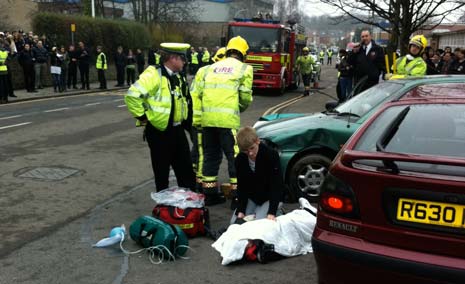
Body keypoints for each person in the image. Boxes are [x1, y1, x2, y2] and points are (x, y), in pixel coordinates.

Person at [191, 36, 253, 206]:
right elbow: (245, 97)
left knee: (211, 157)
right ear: (243, 52)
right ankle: (237, 196)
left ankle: (210, 194)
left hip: (207, 121)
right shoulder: (244, 69)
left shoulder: (209, 69)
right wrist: (238, 107)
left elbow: (199, 94)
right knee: (234, 158)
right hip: (227, 122)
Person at [124, 42, 195, 192]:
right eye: (183, 58)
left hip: (177, 130)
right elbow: (132, 96)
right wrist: (143, 117)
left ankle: (189, 205)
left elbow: (185, 102)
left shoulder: (180, 77)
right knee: (162, 173)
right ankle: (163, 206)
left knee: (186, 170)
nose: (185, 62)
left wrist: (190, 127)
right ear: (173, 58)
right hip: (159, 132)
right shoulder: (154, 75)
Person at [190, 47, 227, 190]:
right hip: (203, 120)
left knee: (198, 152)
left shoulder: (204, 70)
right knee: (204, 154)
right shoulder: (214, 72)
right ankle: (200, 186)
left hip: (198, 119)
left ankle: (195, 181)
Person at [231, 126, 283, 224]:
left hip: (269, 197)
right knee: (234, 223)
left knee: (258, 224)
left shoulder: (271, 155)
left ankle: (278, 211)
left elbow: (276, 185)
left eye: (252, 148)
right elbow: (242, 187)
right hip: (253, 197)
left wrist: (271, 212)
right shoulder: (240, 159)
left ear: (257, 141)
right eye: (246, 151)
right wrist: (241, 211)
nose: (250, 153)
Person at [0, 39, 10, 104]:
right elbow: (8, 60)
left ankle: (1, 99)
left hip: (0, 71)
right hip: (5, 70)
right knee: (5, 85)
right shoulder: (6, 52)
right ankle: (6, 98)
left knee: (1, 86)